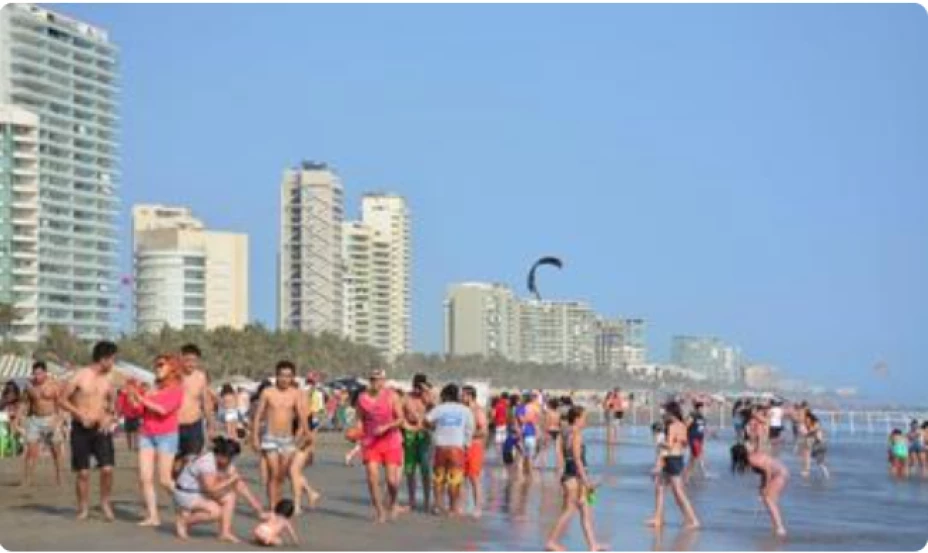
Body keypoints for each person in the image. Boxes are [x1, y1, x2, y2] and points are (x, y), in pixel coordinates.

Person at [57, 341, 119, 521]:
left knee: (107, 469)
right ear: (104, 358)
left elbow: (113, 405)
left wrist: (110, 417)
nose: (113, 363)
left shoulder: (109, 379)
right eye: (112, 359)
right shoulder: (80, 375)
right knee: (83, 472)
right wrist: (79, 414)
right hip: (80, 428)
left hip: (101, 428)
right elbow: (61, 399)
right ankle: (83, 507)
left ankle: (105, 502)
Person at [174, 436, 267, 542]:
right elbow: (211, 489)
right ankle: (183, 521)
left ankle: (225, 533)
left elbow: (240, 485)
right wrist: (230, 480)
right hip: (186, 493)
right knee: (215, 512)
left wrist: (258, 509)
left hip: (199, 490)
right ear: (220, 455)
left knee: (230, 496)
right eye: (230, 458)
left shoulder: (224, 461)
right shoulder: (207, 463)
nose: (231, 461)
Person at [544, 406, 607, 552]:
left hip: (569, 475)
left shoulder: (564, 432)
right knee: (569, 510)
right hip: (575, 477)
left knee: (585, 511)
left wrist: (560, 472)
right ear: (577, 419)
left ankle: (593, 545)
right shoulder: (577, 434)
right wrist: (587, 482)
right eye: (584, 418)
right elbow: (578, 459)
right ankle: (551, 541)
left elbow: (560, 454)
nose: (586, 421)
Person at [134, 355, 184, 527]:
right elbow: (140, 411)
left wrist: (143, 399)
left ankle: (185, 504)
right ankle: (153, 516)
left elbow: (164, 410)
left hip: (167, 435)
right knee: (144, 477)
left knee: (164, 479)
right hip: (146, 434)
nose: (157, 368)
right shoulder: (152, 389)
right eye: (156, 365)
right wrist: (134, 397)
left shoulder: (177, 389)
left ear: (172, 367)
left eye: (161, 365)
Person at [251, 361, 308, 509]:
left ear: (293, 377)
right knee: (274, 473)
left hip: (287, 439)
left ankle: (278, 505)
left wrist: (306, 433)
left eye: (288, 376)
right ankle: (272, 507)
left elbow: (302, 415)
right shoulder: (268, 392)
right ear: (276, 376)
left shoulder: (296, 394)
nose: (285, 379)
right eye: (282, 375)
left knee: (281, 476)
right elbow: (258, 415)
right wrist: (254, 437)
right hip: (270, 438)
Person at [356, 368, 405, 523]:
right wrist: (357, 434)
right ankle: (380, 512)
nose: (376, 383)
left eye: (379, 380)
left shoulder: (392, 396)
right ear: (369, 381)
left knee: (391, 480)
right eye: (373, 379)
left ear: (384, 381)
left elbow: (401, 419)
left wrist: (386, 426)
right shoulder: (362, 398)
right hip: (371, 442)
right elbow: (359, 419)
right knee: (372, 478)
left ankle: (394, 502)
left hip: (391, 440)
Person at [646, 401, 700, 529]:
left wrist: (659, 441)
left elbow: (668, 446)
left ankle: (693, 520)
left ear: (671, 412)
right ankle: (658, 518)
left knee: (678, 492)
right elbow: (685, 443)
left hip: (672, 459)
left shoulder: (672, 426)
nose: (663, 414)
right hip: (677, 458)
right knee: (660, 487)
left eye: (665, 411)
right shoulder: (682, 425)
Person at [425, 383, 474, 516]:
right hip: (457, 447)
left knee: (439, 478)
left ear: (445, 395)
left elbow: (426, 420)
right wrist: (466, 444)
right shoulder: (465, 410)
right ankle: (453, 508)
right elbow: (470, 429)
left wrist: (433, 429)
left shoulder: (440, 408)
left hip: (441, 446)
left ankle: (438, 506)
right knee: (455, 480)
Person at [18, 361, 65, 487]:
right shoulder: (29, 386)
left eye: (39, 373)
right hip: (35, 419)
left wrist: (59, 420)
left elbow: (61, 403)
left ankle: (59, 477)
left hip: (51, 418)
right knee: (31, 451)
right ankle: (28, 479)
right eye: (35, 374)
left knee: (56, 450)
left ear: (45, 373)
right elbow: (24, 402)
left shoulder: (54, 385)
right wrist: (19, 417)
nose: (37, 376)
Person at [732, 440, 789, 537]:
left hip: (779, 474)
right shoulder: (751, 457)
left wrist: (765, 487)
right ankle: (777, 526)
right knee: (770, 501)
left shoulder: (752, 459)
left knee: (768, 500)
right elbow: (764, 472)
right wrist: (762, 487)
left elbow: (767, 470)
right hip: (780, 473)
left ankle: (780, 527)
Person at [401, 373, 434, 512]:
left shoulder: (427, 397)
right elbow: (399, 415)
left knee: (426, 469)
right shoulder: (406, 397)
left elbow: (436, 409)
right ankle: (412, 501)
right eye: (416, 386)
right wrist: (406, 426)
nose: (417, 390)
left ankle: (427, 501)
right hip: (409, 433)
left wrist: (427, 393)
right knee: (410, 469)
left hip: (424, 434)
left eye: (420, 387)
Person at [177, 344, 215, 459]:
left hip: (194, 424)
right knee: (175, 462)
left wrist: (211, 425)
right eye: (188, 360)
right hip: (175, 425)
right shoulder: (173, 376)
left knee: (193, 460)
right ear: (181, 358)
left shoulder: (201, 377)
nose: (191, 364)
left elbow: (206, 402)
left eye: (194, 361)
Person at [462, 385, 487, 518]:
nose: (461, 397)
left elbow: (483, 431)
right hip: (463, 447)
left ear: (470, 396)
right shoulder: (463, 409)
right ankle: (462, 504)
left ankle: (478, 507)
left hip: (474, 447)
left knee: (474, 478)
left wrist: (468, 434)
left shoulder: (478, 411)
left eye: (464, 395)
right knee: (460, 477)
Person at [116, 378, 144, 452]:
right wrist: (119, 412)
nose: (129, 386)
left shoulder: (138, 392)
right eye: (128, 384)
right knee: (128, 432)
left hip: (136, 415)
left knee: (136, 431)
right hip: (128, 415)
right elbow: (120, 403)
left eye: (131, 385)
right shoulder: (124, 394)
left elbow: (141, 402)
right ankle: (130, 447)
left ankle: (136, 446)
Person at [684, 401, 709, 482]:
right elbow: (686, 425)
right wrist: (685, 437)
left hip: (700, 438)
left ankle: (688, 475)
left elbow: (702, 428)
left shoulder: (702, 417)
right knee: (695, 457)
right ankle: (687, 476)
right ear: (699, 408)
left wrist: (709, 432)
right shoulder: (693, 415)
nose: (705, 410)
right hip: (693, 438)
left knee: (693, 457)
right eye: (703, 408)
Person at [503, 394, 523, 481]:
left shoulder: (509, 409)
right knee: (517, 451)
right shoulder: (515, 409)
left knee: (510, 452)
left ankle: (513, 475)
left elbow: (512, 420)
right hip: (514, 431)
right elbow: (516, 420)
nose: (520, 402)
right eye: (519, 400)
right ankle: (516, 474)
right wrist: (518, 429)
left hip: (512, 431)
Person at [541, 397, 564, 471]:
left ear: (550, 405)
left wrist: (545, 433)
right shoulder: (558, 413)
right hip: (557, 430)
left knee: (545, 449)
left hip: (550, 430)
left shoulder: (548, 413)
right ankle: (559, 466)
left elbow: (547, 423)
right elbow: (560, 424)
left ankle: (543, 465)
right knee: (558, 450)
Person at [805, 412, 830, 479]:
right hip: (821, 445)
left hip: (819, 445)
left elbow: (818, 436)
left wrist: (809, 434)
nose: (807, 421)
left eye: (808, 419)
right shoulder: (815, 426)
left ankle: (807, 472)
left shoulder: (815, 427)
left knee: (811, 458)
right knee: (820, 462)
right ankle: (826, 474)